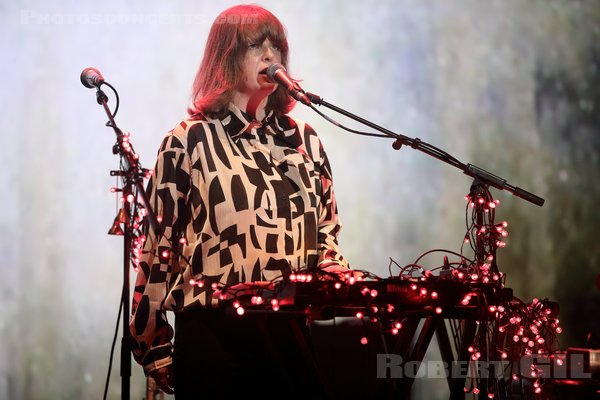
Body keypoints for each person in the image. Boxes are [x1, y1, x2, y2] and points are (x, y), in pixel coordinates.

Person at [129, 4, 354, 398]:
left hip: (290, 334)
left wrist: (337, 278)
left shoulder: (304, 140)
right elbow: (159, 247)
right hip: (216, 336)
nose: (271, 56)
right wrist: (154, 345)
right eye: (256, 46)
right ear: (226, 56)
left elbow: (326, 233)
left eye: (277, 46)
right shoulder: (187, 140)